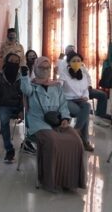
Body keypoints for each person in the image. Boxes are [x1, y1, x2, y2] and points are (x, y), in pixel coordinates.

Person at [20, 57, 86, 192]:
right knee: (53, 141)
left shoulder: (56, 86)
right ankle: (51, 180)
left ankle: (70, 180)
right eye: (41, 68)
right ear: (35, 69)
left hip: (57, 121)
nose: (44, 70)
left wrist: (65, 119)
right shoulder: (31, 86)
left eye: (47, 68)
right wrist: (24, 75)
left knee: (76, 140)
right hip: (38, 122)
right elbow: (25, 90)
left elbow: (63, 105)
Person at [57, 45, 109, 124]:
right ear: (66, 52)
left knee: (102, 95)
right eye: (69, 50)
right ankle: (79, 129)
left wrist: (89, 86)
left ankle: (99, 117)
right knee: (82, 109)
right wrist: (60, 59)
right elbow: (59, 77)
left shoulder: (80, 63)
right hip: (70, 94)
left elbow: (87, 76)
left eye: (72, 50)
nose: (71, 51)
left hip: (84, 90)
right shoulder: (64, 63)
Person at [0, 53, 23, 163]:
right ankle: (9, 150)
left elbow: (24, 95)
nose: (14, 63)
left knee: (32, 116)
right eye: (12, 60)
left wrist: (21, 109)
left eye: (17, 62)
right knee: (4, 120)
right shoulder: (0, 76)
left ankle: (28, 144)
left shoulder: (21, 78)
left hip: (17, 106)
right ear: (7, 62)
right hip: (3, 105)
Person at [58, 52, 94, 151]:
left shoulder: (83, 72)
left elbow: (86, 88)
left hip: (80, 99)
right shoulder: (64, 73)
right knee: (84, 114)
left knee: (86, 106)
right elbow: (59, 86)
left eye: (78, 61)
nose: (77, 63)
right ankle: (84, 141)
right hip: (67, 100)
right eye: (74, 61)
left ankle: (76, 131)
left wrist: (86, 97)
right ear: (69, 63)